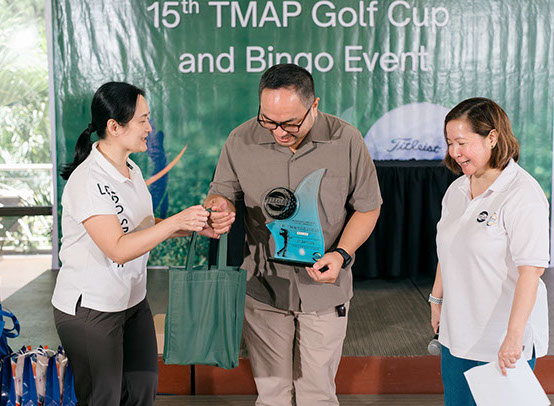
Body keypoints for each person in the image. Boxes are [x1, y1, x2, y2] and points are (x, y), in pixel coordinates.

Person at [205, 64, 382, 405]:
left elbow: (367, 207)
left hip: (324, 286)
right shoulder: (240, 139)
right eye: (268, 121)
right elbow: (221, 192)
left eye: (290, 123)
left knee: (318, 394)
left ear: (314, 105)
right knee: (272, 395)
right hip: (263, 285)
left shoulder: (346, 139)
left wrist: (341, 254)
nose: (279, 132)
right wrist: (218, 207)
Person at [52, 82, 214, 405]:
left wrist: (193, 227)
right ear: (114, 127)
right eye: (142, 120)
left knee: (142, 390)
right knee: (104, 398)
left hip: (133, 302)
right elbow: (118, 248)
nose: (149, 128)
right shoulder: (88, 180)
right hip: (92, 309)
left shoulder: (132, 169)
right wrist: (176, 222)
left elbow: (143, 227)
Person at [431, 97, 549, 405]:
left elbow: (531, 271)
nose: (454, 152)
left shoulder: (522, 194)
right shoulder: (456, 190)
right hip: (456, 338)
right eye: (449, 143)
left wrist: (513, 337)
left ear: (492, 137)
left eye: (462, 143)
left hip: (501, 342)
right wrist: (436, 300)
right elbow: (448, 249)